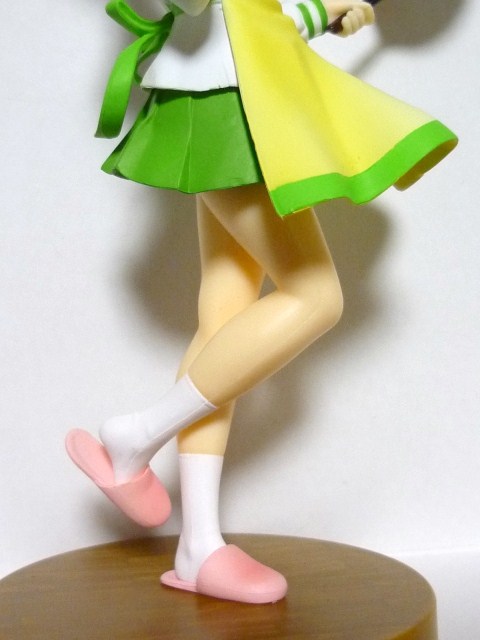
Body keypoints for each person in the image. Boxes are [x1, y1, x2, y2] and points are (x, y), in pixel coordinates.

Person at [66, 0, 457, 603]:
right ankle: (136, 436)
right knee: (315, 297)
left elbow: (252, 15)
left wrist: (322, 10)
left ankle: (198, 547)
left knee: (223, 319)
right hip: (221, 104)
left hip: (231, 98)